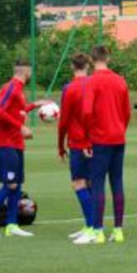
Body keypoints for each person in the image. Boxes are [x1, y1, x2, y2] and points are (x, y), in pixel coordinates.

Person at [0, 60, 49, 239]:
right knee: (10, 184)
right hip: (6, 145)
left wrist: (35, 105)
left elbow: (17, 111)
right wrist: (21, 127)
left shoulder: (19, 89)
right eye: (31, 70)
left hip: (16, 145)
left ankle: (12, 224)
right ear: (26, 71)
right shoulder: (10, 87)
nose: (32, 74)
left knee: (17, 185)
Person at [80, 46, 131, 244]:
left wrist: (87, 138)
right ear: (108, 58)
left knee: (98, 183)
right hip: (118, 137)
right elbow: (127, 112)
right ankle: (118, 230)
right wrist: (120, 128)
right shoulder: (120, 80)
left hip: (100, 139)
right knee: (117, 182)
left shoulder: (91, 81)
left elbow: (86, 112)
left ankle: (98, 231)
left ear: (91, 60)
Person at [57, 53, 98, 243]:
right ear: (88, 66)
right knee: (90, 183)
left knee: (79, 183)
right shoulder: (95, 84)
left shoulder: (70, 88)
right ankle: (91, 225)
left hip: (79, 143)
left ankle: (92, 227)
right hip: (97, 141)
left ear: (72, 67)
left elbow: (64, 121)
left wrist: (60, 145)